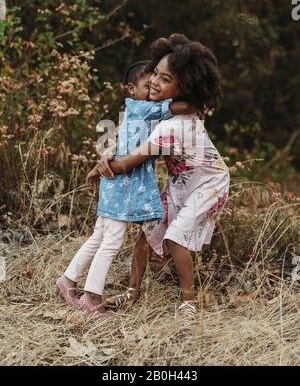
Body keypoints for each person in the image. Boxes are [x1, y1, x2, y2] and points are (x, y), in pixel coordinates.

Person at [97, 34, 230, 318]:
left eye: (165, 79)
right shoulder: (165, 114)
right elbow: (128, 138)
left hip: (209, 183)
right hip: (182, 182)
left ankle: (189, 301)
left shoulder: (171, 128)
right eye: (155, 73)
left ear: (185, 86)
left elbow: (127, 163)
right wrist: (107, 154)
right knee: (147, 235)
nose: (155, 81)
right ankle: (132, 293)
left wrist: (104, 166)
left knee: (174, 238)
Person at [56, 59, 195, 316]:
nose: (152, 89)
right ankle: (92, 296)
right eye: (147, 85)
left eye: (157, 83)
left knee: (99, 236)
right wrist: (199, 97)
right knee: (112, 241)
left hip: (115, 183)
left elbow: (119, 145)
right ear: (131, 89)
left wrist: (97, 168)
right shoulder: (144, 109)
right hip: (123, 186)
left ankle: (68, 280)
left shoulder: (131, 110)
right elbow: (182, 106)